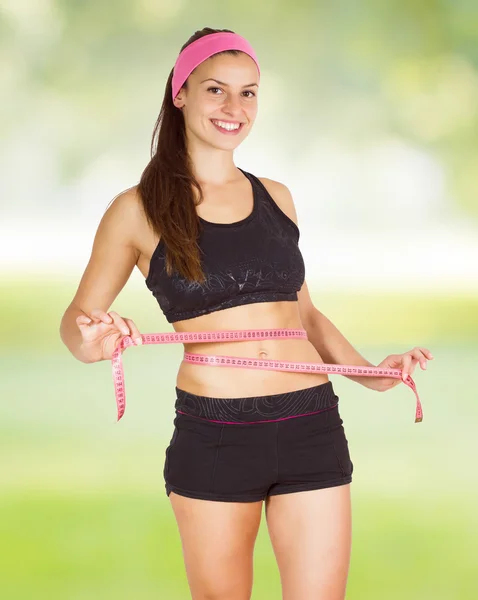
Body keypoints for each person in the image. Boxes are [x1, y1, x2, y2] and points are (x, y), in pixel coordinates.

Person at [59, 27, 433, 600]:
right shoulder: (136, 210)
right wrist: (97, 341)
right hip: (215, 435)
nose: (234, 108)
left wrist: (376, 376)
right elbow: (77, 325)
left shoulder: (276, 197)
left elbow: (303, 316)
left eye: (249, 92)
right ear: (180, 93)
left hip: (311, 423)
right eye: (216, 90)